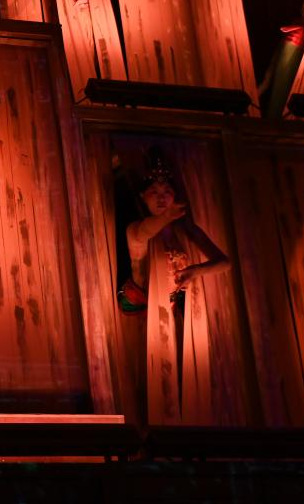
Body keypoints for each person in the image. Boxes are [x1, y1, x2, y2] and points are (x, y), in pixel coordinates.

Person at [120, 148, 230, 423]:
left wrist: (197, 270)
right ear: (142, 196)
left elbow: (225, 262)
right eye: (154, 192)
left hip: (179, 316)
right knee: (156, 391)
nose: (161, 197)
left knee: (187, 382)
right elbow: (145, 231)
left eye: (166, 191)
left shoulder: (184, 230)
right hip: (148, 322)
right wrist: (167, 216)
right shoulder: (136, 231)